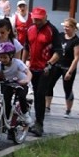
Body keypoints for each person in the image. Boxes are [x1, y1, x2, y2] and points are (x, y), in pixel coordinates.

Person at [23, 7, 62, 136]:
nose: (36, 21)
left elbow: (58, 51)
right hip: (33, 68)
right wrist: (23, 64)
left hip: (46, 69)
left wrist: (50, 64)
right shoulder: (30, 29)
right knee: (35, 94)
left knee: (40, 94)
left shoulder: (52, 30)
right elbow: (26, 48)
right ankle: (34, 121)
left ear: (45, 17)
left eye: (39, 19)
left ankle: (39, 124)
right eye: (35, 18)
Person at [0, 42, 32, 128]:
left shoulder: (17, 63)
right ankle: (6, 120)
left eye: (5, 57)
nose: (3, 59)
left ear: (11, 56)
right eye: (1, 57)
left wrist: (26, 80)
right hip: (9, 84)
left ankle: (25, 114)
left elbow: (29, 73)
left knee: (21, 96)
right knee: (6, 101)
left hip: (21, 83)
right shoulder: (0, 65)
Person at [54, 18, 79, 116]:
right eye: (64, 26)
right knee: (49, 84)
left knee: (67, 88)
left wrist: (70, 72)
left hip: (68, 67)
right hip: (57, 65)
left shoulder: (76, 41)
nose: (65, 28)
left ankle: (68, 109)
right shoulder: (60, 36)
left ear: (74, 27)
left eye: (68, 26)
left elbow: (76, 58)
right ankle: (47, 107)